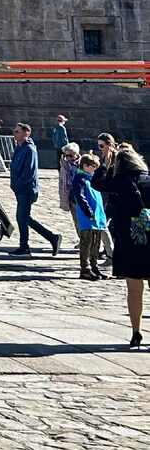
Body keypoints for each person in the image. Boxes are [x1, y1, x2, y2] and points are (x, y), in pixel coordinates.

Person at [98, 141, 150, 347]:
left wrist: (106, 163)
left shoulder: (119, 181)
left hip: (130, 242)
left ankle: (136, 332)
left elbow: (97, 182)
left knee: (134, 289)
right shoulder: (148, 180)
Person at [9, 123, 61, 257]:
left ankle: (32, 243)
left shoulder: (29, 149)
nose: (15, 134)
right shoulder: (19, 148)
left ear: (26, 133)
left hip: (26, 189)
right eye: (15, 131)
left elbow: (29, 172)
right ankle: (48, 239)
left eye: (17, 132)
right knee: (23, 218)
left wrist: (19, 185)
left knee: (22, 217)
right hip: (19, 189)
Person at [72, 152, 109, 279]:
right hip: (87, 216)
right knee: (86, 243)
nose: (95, 169)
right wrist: (88, 210)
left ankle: (94, 266)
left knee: (96, 243)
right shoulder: (80, 178)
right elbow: (80, 196)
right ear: (85, 166)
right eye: (93, 166)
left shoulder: (92, 178)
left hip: (97, 216)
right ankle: (85, 268)